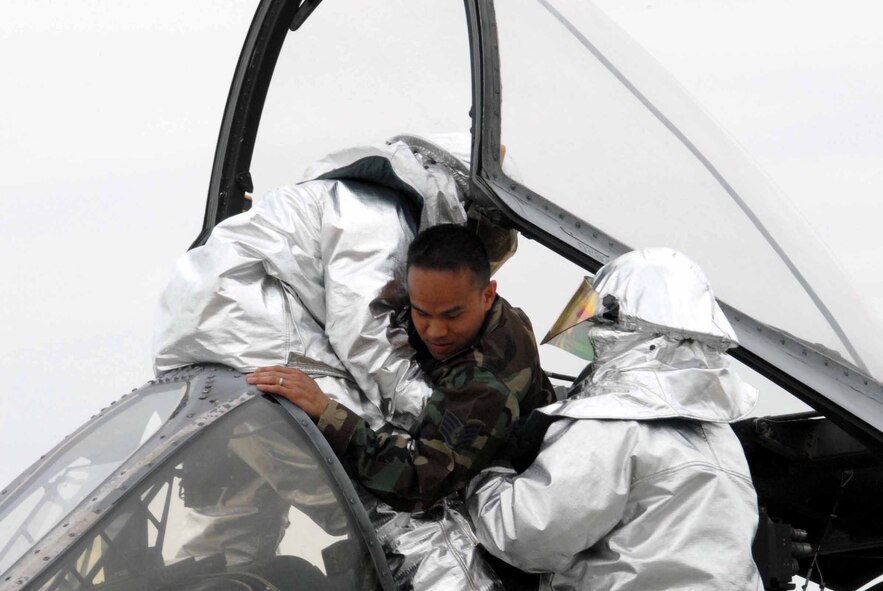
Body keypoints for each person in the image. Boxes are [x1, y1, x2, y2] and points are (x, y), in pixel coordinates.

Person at [466, 247, 763, 590]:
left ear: (624, 331)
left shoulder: (611, 426)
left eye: (600, 323)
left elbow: (524, 535)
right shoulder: (722, 439)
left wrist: (488, 473)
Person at [248, 223, 556, 513]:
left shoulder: (485, 387)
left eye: (452, 316)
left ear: (488, 295)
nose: (435, 331)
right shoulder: (487, 312)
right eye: (423, 312)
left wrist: (327, 411)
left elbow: (418, 482)